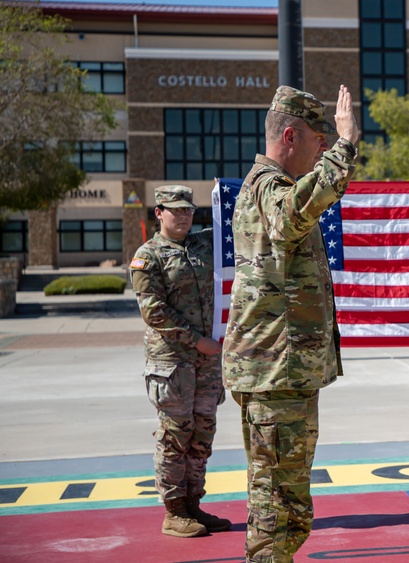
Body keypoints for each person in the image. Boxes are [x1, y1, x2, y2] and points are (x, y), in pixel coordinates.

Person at [224, 84, 359, 562]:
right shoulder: (268, 189)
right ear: (289, 135)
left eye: (328, 140)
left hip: (284, 372)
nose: (323, 147)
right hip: (273, 371)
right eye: (317, 139)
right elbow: (291, 215)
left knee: (287, 499)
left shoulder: (272, 187)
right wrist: (345, 147)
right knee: (278, 503)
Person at [131, 185, 230, 538]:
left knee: (202, 433)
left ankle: (193, 505)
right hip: (172, 363)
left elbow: (238, 224)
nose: (185, 216)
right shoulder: (149, 256)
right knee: (175, 435)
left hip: (206, 365)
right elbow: (154, 312)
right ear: (159, 212)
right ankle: (174, 511)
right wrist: (197, 341)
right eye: (176, 211)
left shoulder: (205, 246)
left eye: (189, 210)